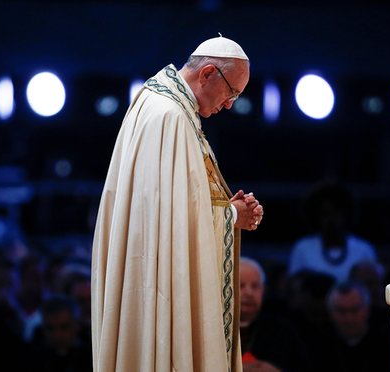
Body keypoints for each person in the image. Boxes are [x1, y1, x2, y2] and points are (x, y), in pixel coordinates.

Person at [91, 35, 264, 372]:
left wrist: (226, 210)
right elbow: (165, 222)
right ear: (208, 73)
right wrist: (230, 217)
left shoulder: (165, 104)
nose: (230, 104)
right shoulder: (168, 115)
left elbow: (173, 206)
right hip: (153, 279)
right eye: (232, 93)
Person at [287, 179, 379, 283]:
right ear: (316, 217)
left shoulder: (364, 250)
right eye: (325, 213)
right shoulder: (303, 249)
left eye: (336, 213)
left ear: (346, 215)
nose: (331, 219)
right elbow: (294, 288)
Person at [239, 257, 312, 372]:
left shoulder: (283, 331)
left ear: (263, 290)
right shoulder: (213, 331)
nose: (249, 293)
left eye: (255, 286)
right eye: (241, 286)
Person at [322, 280, 390, 372]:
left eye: (354, 310)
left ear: (367, 309)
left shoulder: (385, 343)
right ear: (331, 312)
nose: (349, 319)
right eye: (342, 311)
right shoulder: (320, 346)